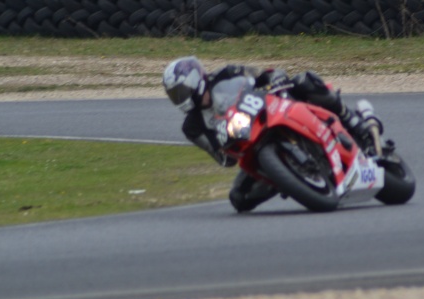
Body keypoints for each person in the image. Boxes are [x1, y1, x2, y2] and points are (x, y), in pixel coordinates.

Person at [163, 56, 381, 213]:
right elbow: (222, 158)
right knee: (239, 198)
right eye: (174, 94)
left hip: (271, 109)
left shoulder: (225, 74)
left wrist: (275, 80)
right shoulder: (191, 126)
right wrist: (224, 148)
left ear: (195, 81)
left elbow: (263, 74)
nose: (179, 98)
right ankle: (287, 177)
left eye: (180, 90)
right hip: (248, 141)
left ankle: (351, 119)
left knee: (303, 80)